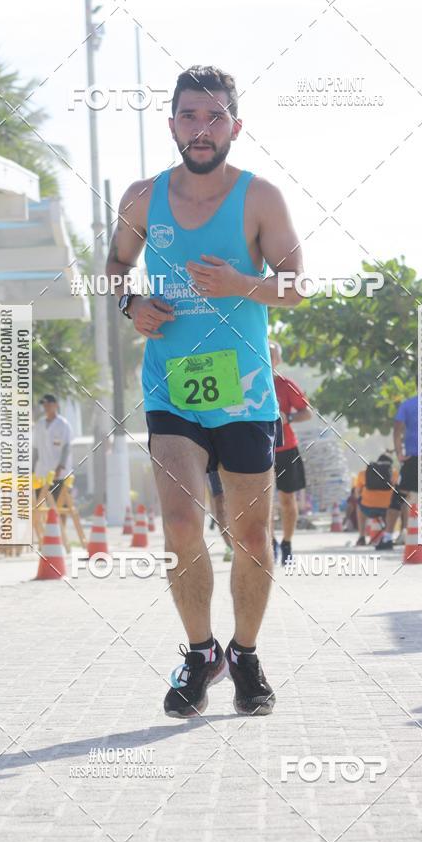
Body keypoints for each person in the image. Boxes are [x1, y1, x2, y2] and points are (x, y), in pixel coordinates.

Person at [106, 65, 304, 718]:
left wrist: (240, 285)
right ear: (172, 125)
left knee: (250, 536)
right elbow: (114, 266)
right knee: (183, 522)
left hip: (245, 395)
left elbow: (297, 285)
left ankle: (245, 655)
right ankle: (200, 653)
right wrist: (131, 301)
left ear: (235, 127)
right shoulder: (141, 198)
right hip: (172, 391)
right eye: (190, 116)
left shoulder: (261, 198)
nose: (201, 128)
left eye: (214, 116)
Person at [268, 340, 311, 564]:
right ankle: (270, 541)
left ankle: (287, 542)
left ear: (279, 360)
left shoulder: (286, 384)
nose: (268, 356)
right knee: (261, 501)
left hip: (286, 448)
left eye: (272, 354)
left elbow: (307, 412)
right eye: (264, 352)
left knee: (287, 499)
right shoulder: (250, 381)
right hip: (258, 450)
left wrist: (289, 417)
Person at [375, 393, 419, 551]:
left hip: (412, 459)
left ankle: (387, 538)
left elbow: (397, 430)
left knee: (398, 497)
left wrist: (399, 453)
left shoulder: (407, 405)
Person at [32, 394, 73, 501]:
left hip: (58, 474)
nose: (46, 407)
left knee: (60, 503)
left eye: (49, 404)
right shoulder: (39, 425)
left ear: (55, 405)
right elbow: (35, 448)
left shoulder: (63, 424)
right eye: (44, 405)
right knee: (41, 503)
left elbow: (67, 446)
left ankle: (62, 519)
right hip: (41, 473)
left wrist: (61, 466)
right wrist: (31, 468)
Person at [354, 455, 397, 545]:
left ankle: (362, 537)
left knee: (359, 505)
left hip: (367, 509)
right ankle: (390, 536)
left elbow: (357, 492)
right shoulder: (394, 473)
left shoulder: (363, 473)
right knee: (398, 505)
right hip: (387, 510)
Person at [207, 469, 233, 561]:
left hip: (235, 459)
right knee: (219, 505)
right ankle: (230, 547)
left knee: (237, 502)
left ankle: (240, 544)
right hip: (213, 464)